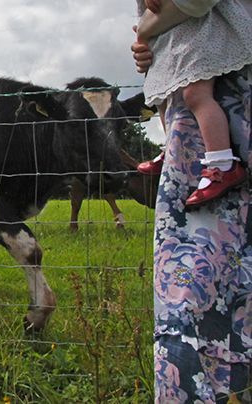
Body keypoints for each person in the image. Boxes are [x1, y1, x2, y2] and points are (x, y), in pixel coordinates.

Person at [131, 0, 252, 401]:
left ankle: (219, 162)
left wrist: (147, 28)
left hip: (236, 94)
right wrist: (148, 41)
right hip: (193, 105)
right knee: (192, 288)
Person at [134, 0, 252, 207]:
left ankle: (221, 163)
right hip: (173, 41)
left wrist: (144, 32)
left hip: (202, 34)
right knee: (162, 94)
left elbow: (195, 3)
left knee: (196, 93)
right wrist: (143, 40)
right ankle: (170, 146)